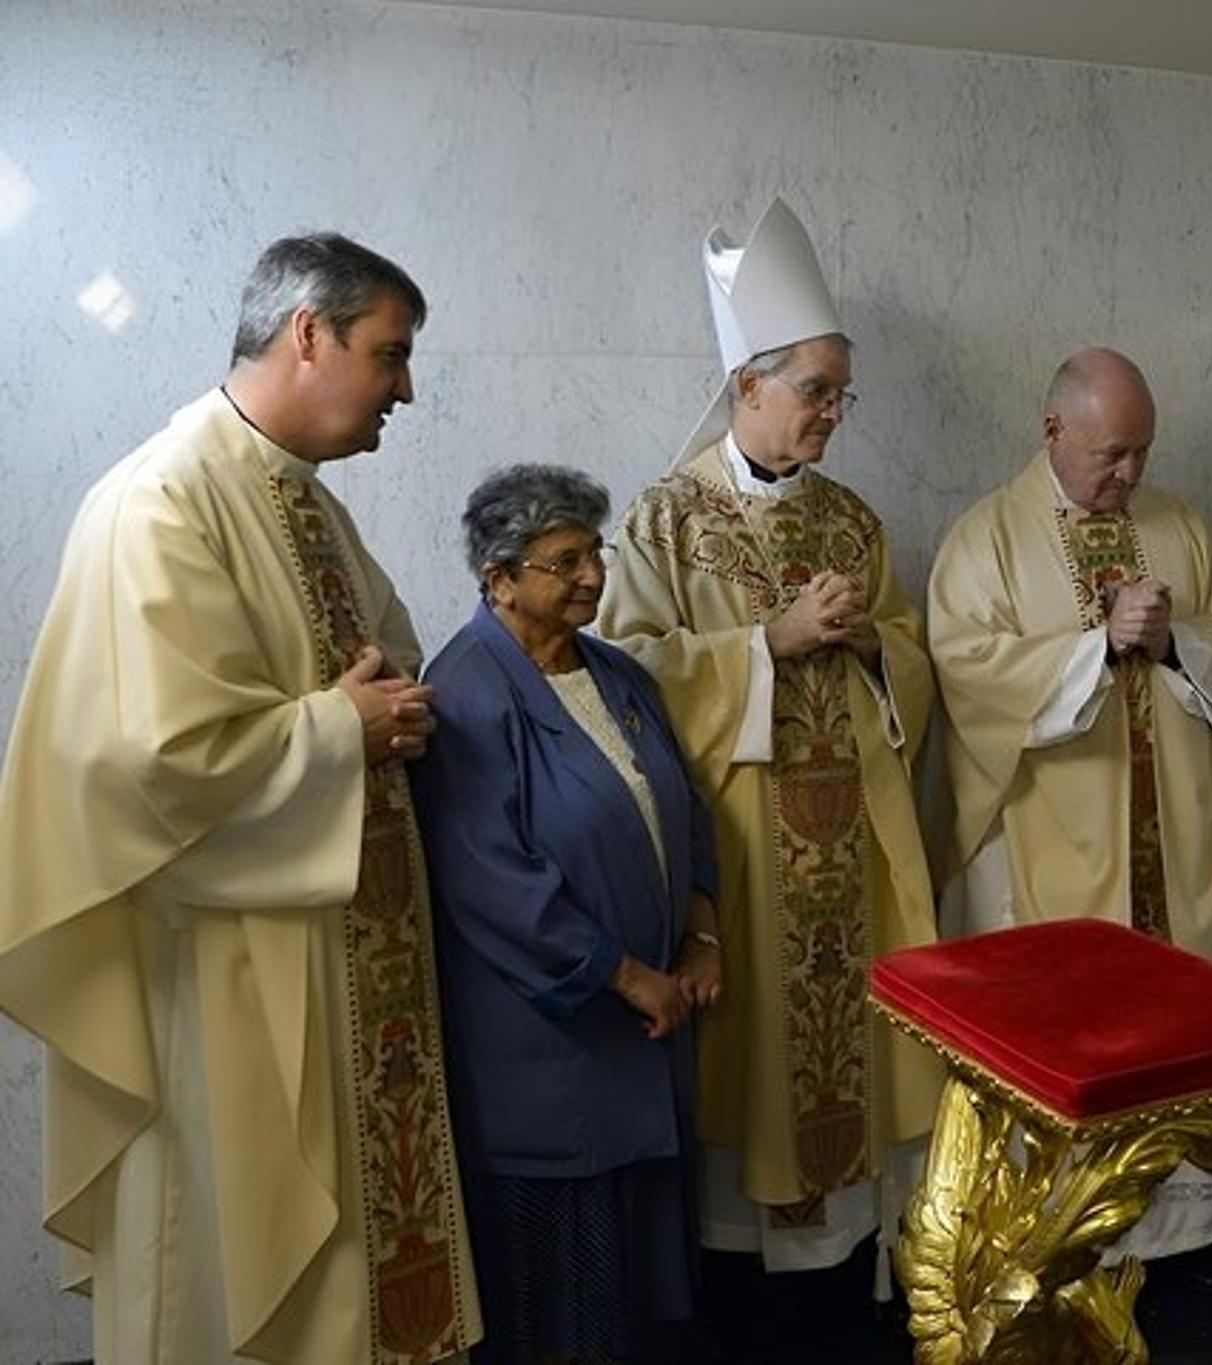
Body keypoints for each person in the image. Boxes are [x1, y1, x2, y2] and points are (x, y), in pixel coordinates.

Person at [0, 234, 479, 1362]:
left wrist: (394, 711)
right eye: (390, 354)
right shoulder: (163, 502)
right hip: (227, 980)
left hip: (341, 958)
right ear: (308, 333)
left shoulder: (310, 506)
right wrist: (344, 727)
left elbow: (388, 662)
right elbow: (150, 762)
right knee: (234, 1273)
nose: (406, 389)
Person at [599, 199, 941, 1278]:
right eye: (816, 391)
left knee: (850, 1043)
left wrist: (877, 649)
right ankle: (743, 1269)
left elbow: (914, 659)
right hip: (742, 851)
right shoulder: (665, 518)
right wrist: (767, 645)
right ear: (749, 385)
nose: (835, 412)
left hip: (852, 853)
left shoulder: (853, 520)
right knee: (754, 1060)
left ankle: (844, 1250)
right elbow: (625, 674)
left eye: (842, 393)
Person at [926, 345, 1212, 1257]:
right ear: (1053, 429)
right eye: (1112, 453)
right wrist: (1096, 647)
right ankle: (1053, 1233)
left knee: (1172, 1021)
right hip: (1044, 847)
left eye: (1142, 452)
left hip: (1171, 843)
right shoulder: (987, 538)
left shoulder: (1178, 523)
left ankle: (1172, 1229)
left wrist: (1175, 642)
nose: (1130, 473)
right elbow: (969, 671)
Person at [410, 464, 721, 1365]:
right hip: (553, 1043)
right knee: (567, 1299)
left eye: (595, 551)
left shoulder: (615, 672)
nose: (593, 575)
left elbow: (687, 809)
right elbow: (492, 881)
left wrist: (701, 934)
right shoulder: (469, 687)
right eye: (565, 560)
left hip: (647, 1027)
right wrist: (624, 975)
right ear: (500, 578)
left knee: (641, 1296)